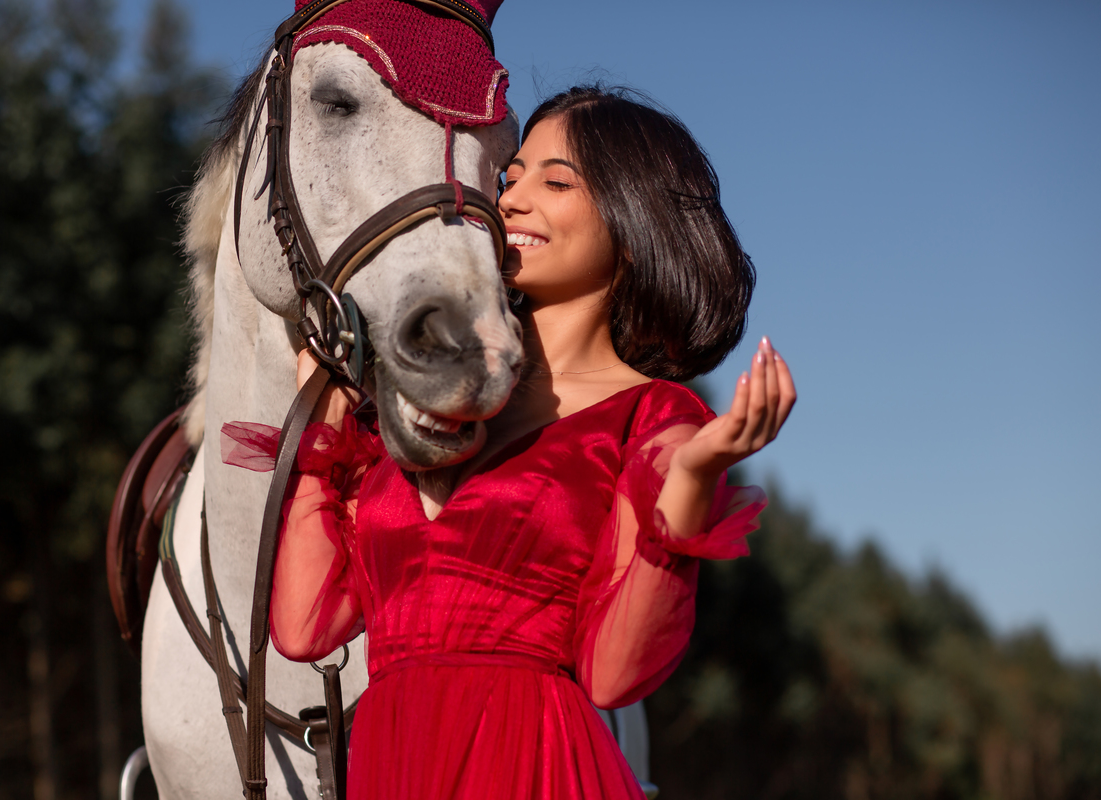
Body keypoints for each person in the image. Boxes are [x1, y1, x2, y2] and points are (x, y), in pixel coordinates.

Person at [221, 85, 795, 800]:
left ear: (633, 218)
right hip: (392, 768)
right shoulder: (418, 403)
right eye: (509, 178)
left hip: (536, 768)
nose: (511, 201)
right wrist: (325, 433)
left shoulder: (650, 417)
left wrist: (692, 479)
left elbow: (613, 676)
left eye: (556, 182)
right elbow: (306, 628)